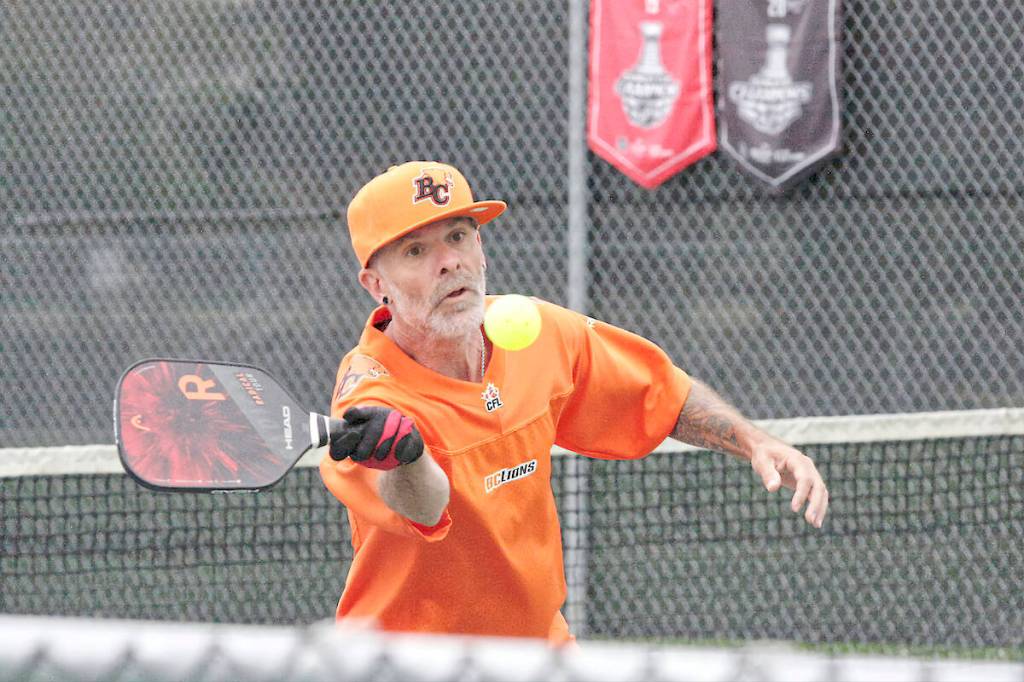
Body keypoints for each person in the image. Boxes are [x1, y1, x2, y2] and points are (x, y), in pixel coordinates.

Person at [320, 161, 829, 644]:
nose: (449, 261)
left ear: (481, 249)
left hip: (539, 653)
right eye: (416, 251)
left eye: (458, 237)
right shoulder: (369, 397)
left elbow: (659, 391)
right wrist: (405, 454)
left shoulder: (536, 333)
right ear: (376, 285)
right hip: (406, 663)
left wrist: (754, 441)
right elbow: (425, 505)